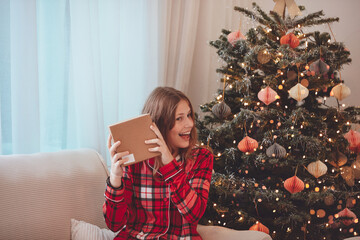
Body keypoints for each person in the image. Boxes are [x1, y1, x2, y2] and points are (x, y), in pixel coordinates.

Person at [103, 86, 214, 239]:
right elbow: (114, 224)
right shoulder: (134, 162)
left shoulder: (201, 157)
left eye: (189, 115)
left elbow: (194, 214)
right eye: (179, 118)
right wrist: (115, 179)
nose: (190, 124)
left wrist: (169, 163)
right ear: (159, 124)